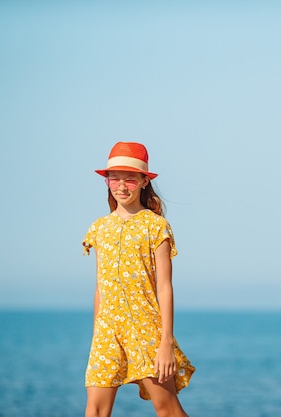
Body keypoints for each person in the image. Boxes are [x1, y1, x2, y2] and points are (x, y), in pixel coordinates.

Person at [82, 142, 195, 417]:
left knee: (167, 409)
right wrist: (98, 336)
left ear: (144, 181)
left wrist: (165, 342)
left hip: (146, 328)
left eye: (130, 179)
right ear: (107, 181)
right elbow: (101, 286)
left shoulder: (156, 227)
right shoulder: (99, 228)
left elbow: (165, 286)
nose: (121, 186)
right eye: (114, 178)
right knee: (95, 410)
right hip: (106, 332)